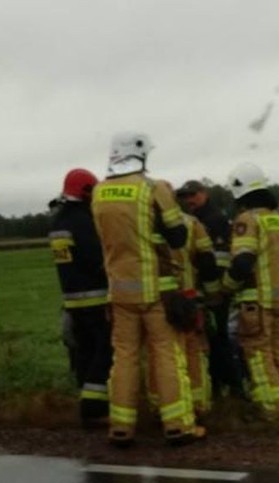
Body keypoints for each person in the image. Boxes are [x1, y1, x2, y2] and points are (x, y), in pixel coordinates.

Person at [90, 132, 203, 447]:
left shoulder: (99, 193)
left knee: (124, 358)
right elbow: (178, 237)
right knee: (166, 355)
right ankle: (177, 425)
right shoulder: (153, 189)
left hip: (120, 293)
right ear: (140, 155)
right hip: (156, 292)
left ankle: (122, 427)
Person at [221, 162, 279, 420]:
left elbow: (242, 262)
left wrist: (226, 286)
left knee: (258, 356)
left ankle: (271, 408)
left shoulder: (247, 220)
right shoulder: (277, 220)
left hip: (256, 301)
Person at [48, 168, 112, 428]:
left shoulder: (58, 221)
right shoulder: (82, 221)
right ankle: (94, 409)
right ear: (86, 191)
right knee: (105, 350)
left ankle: (87, 406)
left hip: (72, 300)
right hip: (95, 298)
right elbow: (98, 259)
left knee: (84, 352)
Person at [176, 180, 244, 399]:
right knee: (211, 343)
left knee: (218, 341)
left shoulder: (214, 220)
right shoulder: (198, 220)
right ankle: (218, 387)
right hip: (204, 292)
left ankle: (234, 387)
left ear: (204, 194)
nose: (189, 200)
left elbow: (218, 260)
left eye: (193, 195)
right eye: (185, 197)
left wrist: (215, 292)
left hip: (215, 293)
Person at [167, 212, 219, 418]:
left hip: (158, 300)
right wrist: (213, 294)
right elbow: (206, 260)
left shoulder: (141, 219)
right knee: (195, 355)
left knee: (165, 357)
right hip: (188, 299)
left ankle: (169, 409)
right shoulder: (192, 223)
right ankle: (200, 406)